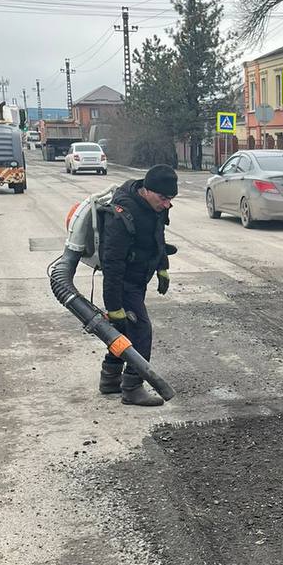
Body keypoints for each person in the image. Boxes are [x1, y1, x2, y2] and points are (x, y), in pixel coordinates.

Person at [99, 164, 177, 407]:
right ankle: (132, 386)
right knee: (141, 331)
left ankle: (110, 379)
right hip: (123, 283)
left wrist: (162, 266)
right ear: (147, 190)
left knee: (122, 331)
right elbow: (111, 262)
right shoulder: (124, 214)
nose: (167, 204)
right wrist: (113, 306)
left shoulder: (154, 207)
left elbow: (157, 238)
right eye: (163, 198)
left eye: (171, 199)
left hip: (138, 278)